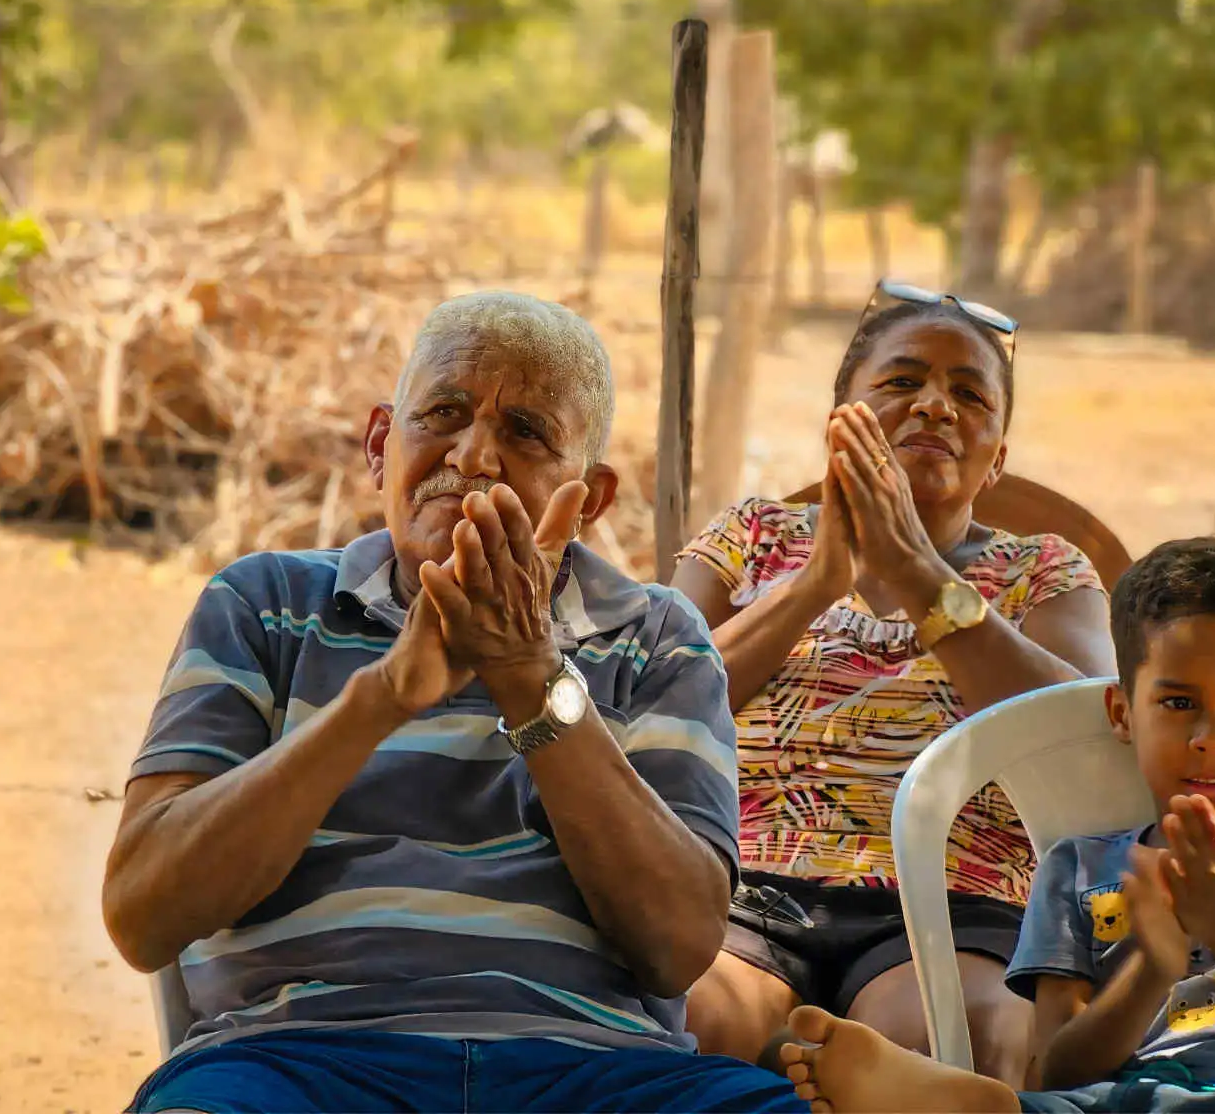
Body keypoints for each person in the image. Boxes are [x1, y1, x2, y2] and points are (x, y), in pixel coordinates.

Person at [104, 291, 805, 1113]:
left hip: (597, 1071)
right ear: (380, 445)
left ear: (590, 498)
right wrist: (381, 698)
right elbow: (142, 914)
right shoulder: (265, 605)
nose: (473, 456)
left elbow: (679, 947)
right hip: (294, 1062)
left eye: (526, 432)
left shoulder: (658, 637)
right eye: (443, 414)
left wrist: (531, 677)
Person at [776, 538, 1215, 1113]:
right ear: (1122, 713)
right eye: (1179, 701)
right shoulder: (1079, 869)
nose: (1213, 736)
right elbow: (1059, 1069)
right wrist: (1152, 967)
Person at [673, 280, 1116, 1082]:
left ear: (997, 459)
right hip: (741, 895)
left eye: (969, 395)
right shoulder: (751, 537)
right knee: (683, 1025)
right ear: (839, 424)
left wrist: (918, 575)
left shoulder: (1043, 570)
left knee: (952, 1050)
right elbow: (654, 705)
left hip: (954, 906)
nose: (935, 406)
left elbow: (1088, 747)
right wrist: (814, 585)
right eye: (903, 380)